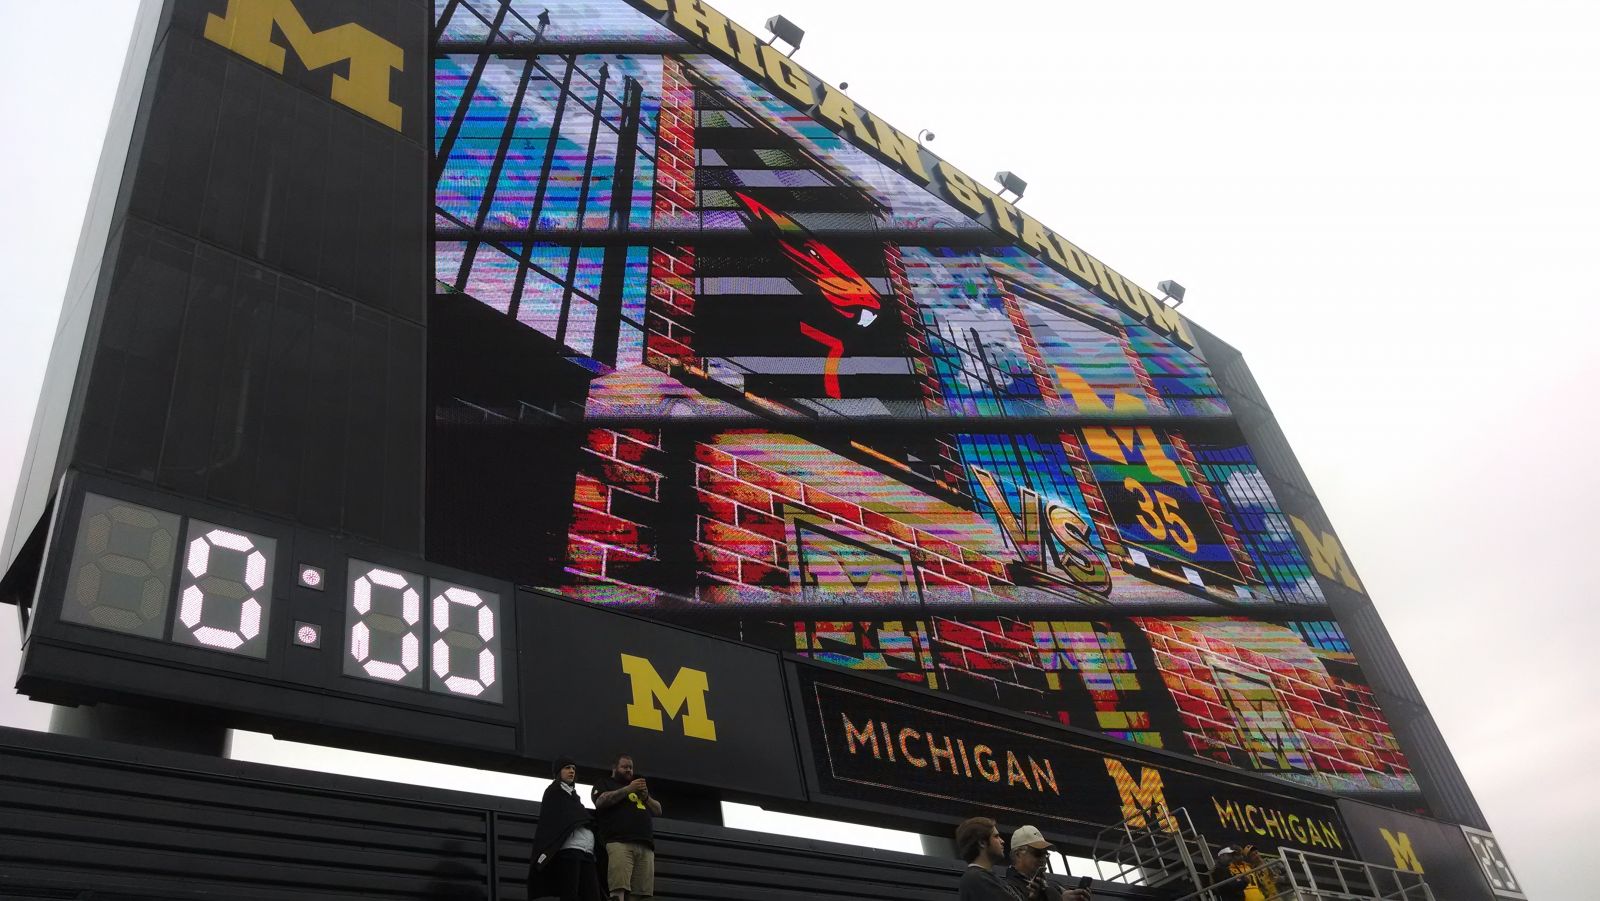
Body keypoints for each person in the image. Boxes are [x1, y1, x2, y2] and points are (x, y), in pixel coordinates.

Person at [528, 757, 604, 901]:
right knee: (570, 894)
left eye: (574, 769)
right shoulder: (553, 793)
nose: (571, 771)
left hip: (587, 851)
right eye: (567, 768)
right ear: (558, 771)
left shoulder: (574, 796)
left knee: (593, 895)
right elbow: (552, 824)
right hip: (570, 851)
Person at [590, 753, 661, 901]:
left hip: (645, 845)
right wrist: (628, 789)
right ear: (614, 768)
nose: (629, 770)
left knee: (641, 893)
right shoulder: (604, 783)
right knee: (618, 889)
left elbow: (658, 810)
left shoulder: (640, 789)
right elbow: (600, 802)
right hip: (620, 842)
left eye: (631, 767)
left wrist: (646, 797)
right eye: (624, 767)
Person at [1001, 825, 1091, 901]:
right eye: (1038, 853)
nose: (1043, 859)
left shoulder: (1055, 886)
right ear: (1018, 855)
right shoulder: (1007, 889)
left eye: (1046, 854)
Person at [1208, 845, 1274, 901]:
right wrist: (1243, 881)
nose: (1241, 856)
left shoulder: (1250, 866)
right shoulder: (1222, 869)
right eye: (1237, 855)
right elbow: (1224, 887)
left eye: (1241, 854)